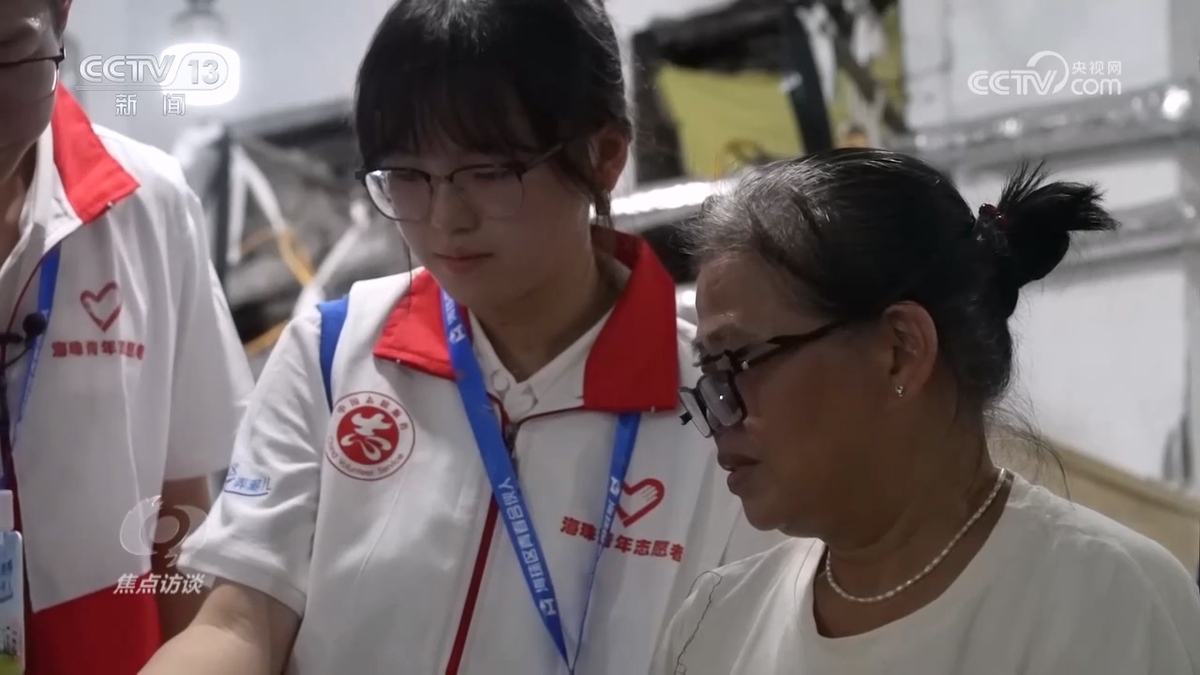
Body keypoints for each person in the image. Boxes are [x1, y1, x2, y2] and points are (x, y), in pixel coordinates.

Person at [142, 0, 778, 673]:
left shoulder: (717, 413)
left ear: (603, 156)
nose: (446, 217)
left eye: (489, 173)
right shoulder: (332, 357)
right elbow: (241, 622)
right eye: (408, 176)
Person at [656, 149, 1200, 674]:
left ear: (900, 351)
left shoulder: (1105, 605)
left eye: (741, 361)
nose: (719, 412)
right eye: (709, 373)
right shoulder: (714, 627)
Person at [0, 0, 253, 673]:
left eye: (6, 52)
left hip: (110, 646)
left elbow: (182, 507)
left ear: (59, 17)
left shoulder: (150, 203)